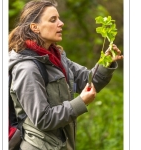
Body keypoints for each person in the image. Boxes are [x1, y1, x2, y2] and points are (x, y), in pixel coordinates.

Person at [8, 0, 123, 150]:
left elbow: (88, 81)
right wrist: (80, 102)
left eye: (59, 18)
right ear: (34, 27)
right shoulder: (27, 68)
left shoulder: (57, 57)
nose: (61, 23)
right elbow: (43, 119)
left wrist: (105, 63)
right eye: (53, 20)